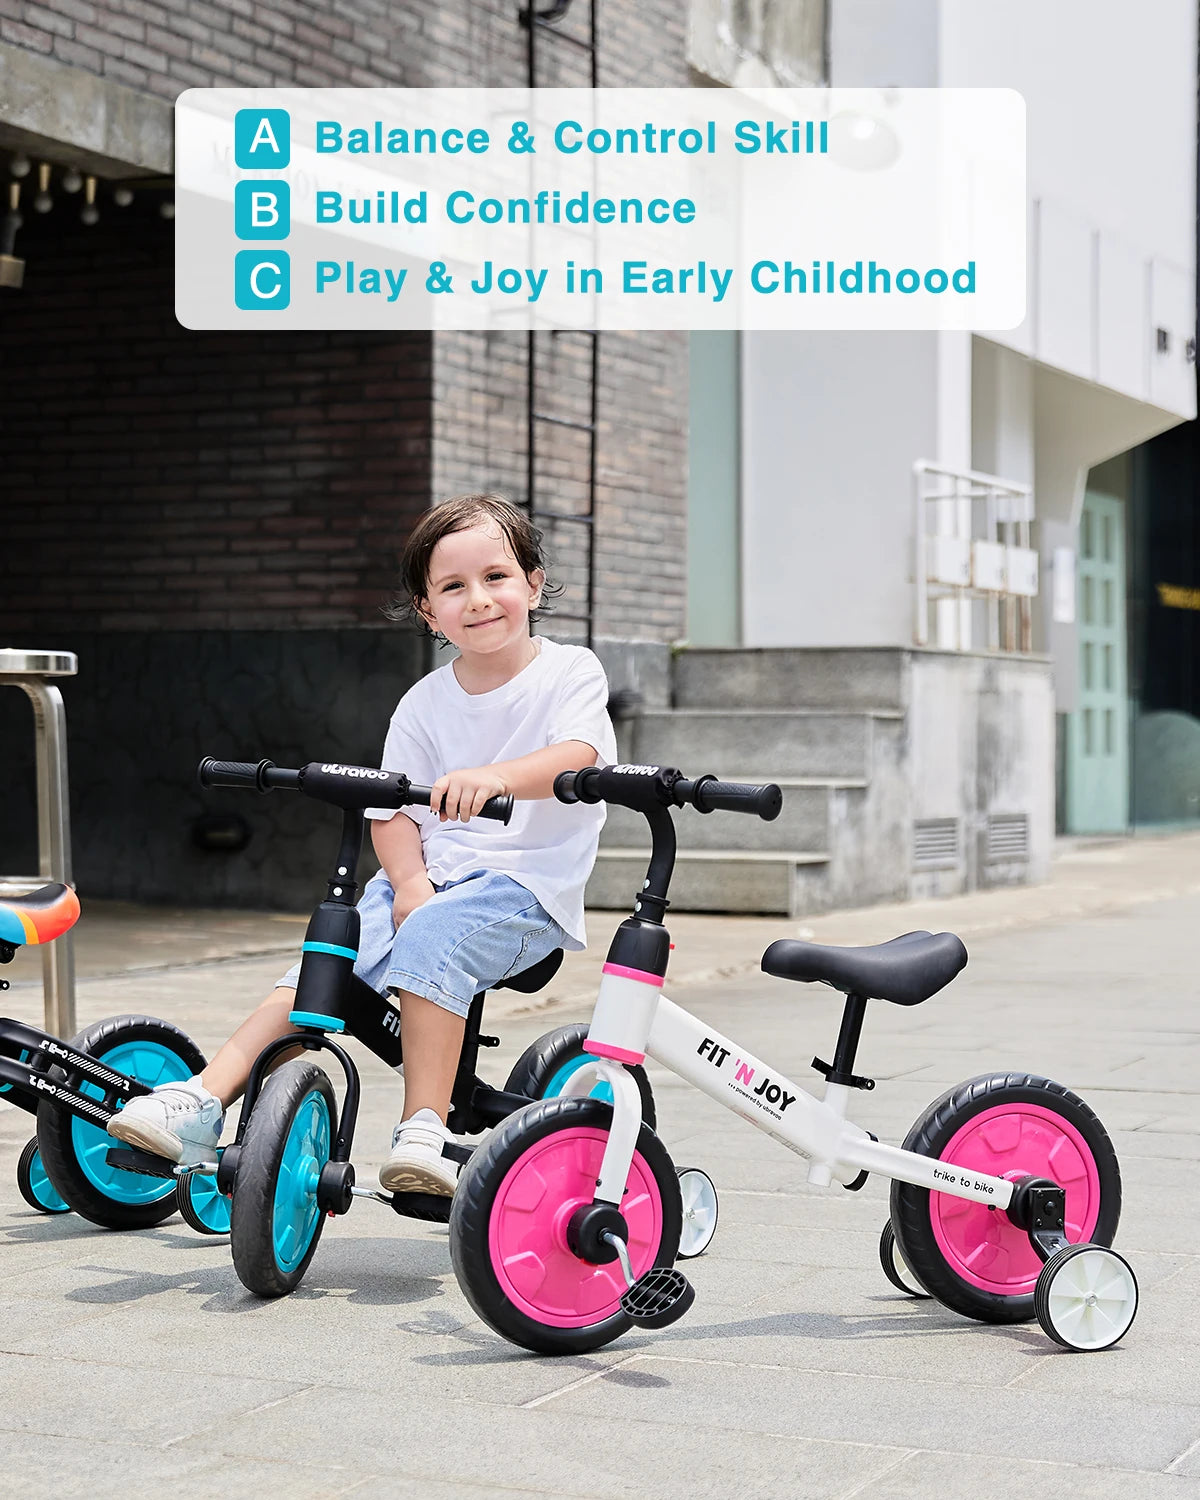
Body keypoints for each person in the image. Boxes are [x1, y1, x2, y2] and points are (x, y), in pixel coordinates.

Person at [108, 493, 617, 1196]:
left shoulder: (570, 673)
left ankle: (424, 1131)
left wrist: (494, 777)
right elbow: (391, 807)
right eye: (453, 587)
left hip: (525, 892)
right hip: (431, 884)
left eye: (497, 577)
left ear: (533, 583)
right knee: (328, 950)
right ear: (427, 611)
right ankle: (203, 1097)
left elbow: (577, 756)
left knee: (435, 933)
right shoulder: (424, 702)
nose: (479, 599)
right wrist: (407, 882)